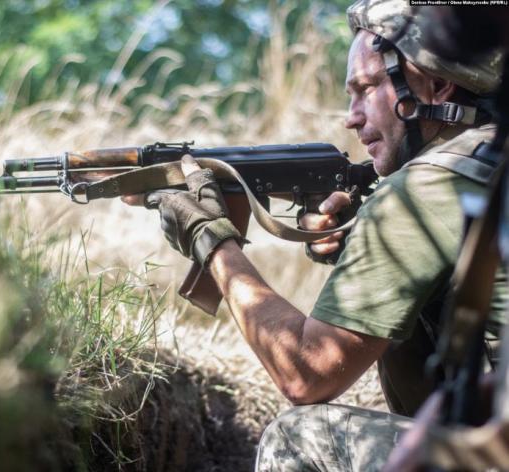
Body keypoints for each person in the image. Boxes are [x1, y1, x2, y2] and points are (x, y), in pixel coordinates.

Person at [125, 0, 506, 469]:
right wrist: (363, 246)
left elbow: (306, 373)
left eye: (366, 89)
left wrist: (212, 240)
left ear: (435, 84)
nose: (352, 117)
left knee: (300, 436)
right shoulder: (488, 163)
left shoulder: (425, 189)